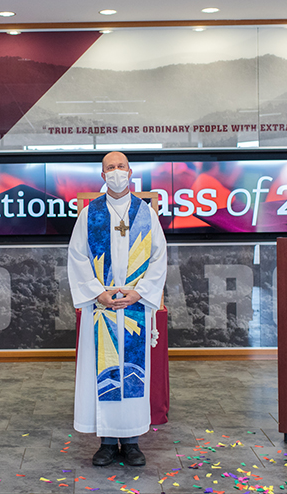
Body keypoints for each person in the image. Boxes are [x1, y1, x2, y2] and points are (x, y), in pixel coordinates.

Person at [67, 151, 167, 467]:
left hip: (134, 307)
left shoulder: (146, 214)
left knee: (133, 373)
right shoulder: (90, 214)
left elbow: (158, 257)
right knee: (107, 371)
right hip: (102, 308)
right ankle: (108, 442)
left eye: (120, 167)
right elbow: (77, 257)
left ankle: (133, 441)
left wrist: (139, 293)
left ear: (130, 171)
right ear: (102, 175)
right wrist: (99, 293)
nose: (116, 172)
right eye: (110, 168)